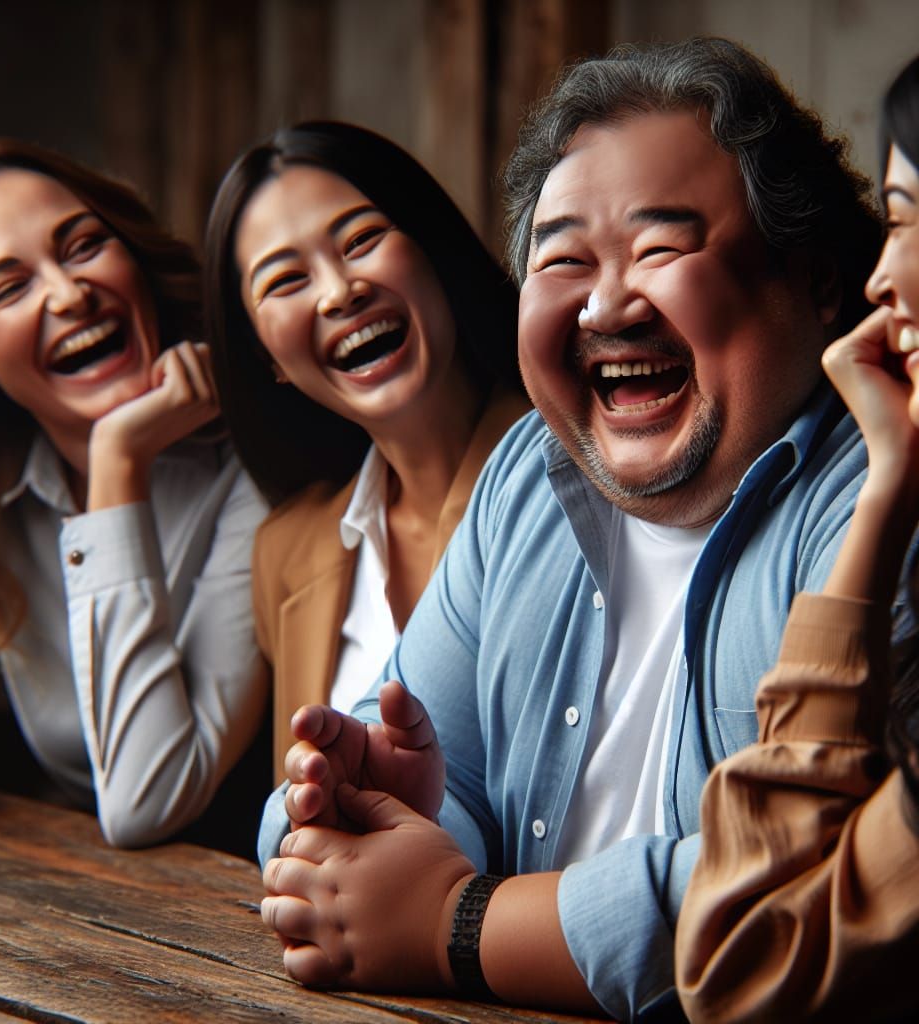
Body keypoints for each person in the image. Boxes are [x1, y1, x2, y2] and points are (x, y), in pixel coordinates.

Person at [256, 38, 915, 1019]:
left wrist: (459, 918)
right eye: (562, 261)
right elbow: (329, 822)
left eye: (659, 249)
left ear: (816, 280)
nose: (606, 302)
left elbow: (802, 899)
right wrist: (390, 816)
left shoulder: (876, 499)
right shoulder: (527, 475)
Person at [0, 138, 269, 849]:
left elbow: (147, 802)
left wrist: (117, 462)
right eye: (8, 289)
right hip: (84, 919)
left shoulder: (254, 466)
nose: (69, 295)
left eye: (83, 246)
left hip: (248, 908)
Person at [675, 55, 919, 1024]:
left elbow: (742, 960)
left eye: (906, 222)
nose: (883, 276)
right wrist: (894, 483)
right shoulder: (526, 468)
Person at [203, 122, 528, 783]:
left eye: (361, 241)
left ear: (431, 248)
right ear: (269, 358)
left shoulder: (574, 472)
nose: (338, 291)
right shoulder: (285, 551)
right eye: (284, 281)